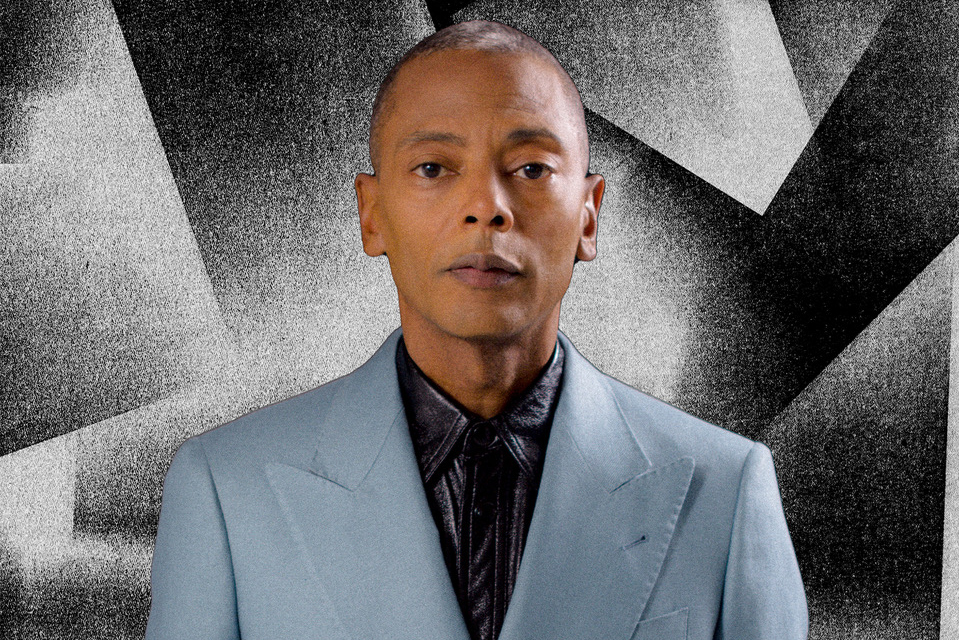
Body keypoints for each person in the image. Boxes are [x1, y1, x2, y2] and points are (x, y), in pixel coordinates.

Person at [145, 20, 807, 640]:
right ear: (372, 215)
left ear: (589, 216)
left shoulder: (725, 490)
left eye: (531, 169)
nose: (486, 208)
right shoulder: (226, 487)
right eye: (433, 168)